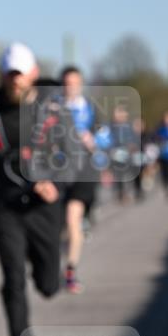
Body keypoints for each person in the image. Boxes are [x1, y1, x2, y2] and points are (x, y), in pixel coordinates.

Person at [0, 43, 75, 336]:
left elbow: (71, 157)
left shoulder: (53, 109)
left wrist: (55, 185)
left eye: (20, 74)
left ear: (32, 74)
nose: (14, 81)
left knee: (47, 285)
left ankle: (48, 274)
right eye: (9, 74)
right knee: (12, 279)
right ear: (1, 75)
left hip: (44, 208)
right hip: (6, 206)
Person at [59, 66, 97, 294]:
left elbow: (105, 137)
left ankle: (71, 271)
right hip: (57, 173)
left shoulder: (90, 109)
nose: (70, 86)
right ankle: (64, 259)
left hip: (83, 172)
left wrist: (92, 140)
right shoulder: (51, 108)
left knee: (73, 218)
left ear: (80, 84)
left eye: (74, 82)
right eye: (66, 82)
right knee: (62, 227)